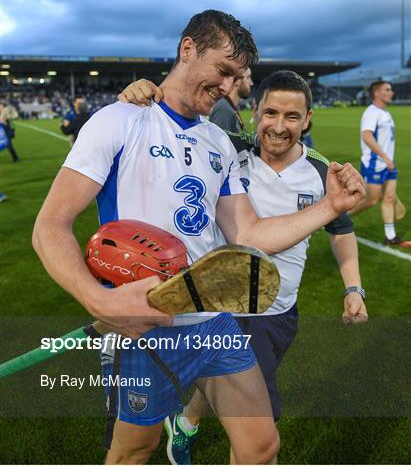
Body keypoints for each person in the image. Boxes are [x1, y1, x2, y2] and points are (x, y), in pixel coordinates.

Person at [33, 10, 365, 465]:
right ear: (188, 49)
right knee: (134, 450)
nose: (229, 87)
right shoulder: (118, 121)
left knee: (261, 446)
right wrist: (98, 299)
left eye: (238, 77)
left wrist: (330, 208)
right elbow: (50, 225)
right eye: (223, 71)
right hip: (147, 326)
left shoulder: (220, 143)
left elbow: (247, 232)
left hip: (212, 319)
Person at [120, 70, 368, 465]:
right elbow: (170, 133)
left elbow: (341, 230)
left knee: (219, 385)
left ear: (307, 120)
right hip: (225, 307)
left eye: (292, 117)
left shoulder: (323, 171)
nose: (280, 126)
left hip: (281, 309)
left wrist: (353, 288)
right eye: (271, 113)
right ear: (254, 112)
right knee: (261, 436)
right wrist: (144, 96)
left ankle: (185, 423)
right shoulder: (225, 149)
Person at [350, 81, 405, 245]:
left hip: (388, 164)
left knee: (388, 198)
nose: (392, 92)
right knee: (371, 200)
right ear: (377, 93)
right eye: (387, 90)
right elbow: (366, 136)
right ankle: (342, 217)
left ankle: (390, 236)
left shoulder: (384, 112)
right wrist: (385, 157)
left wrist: (389, 160)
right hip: (375, 164)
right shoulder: (371, 113)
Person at [208, 67, 253, 132]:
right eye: (248, 77)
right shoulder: (224, 110)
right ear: (238, 81)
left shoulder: (229, 107)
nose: (251, 83)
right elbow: (218, 141)